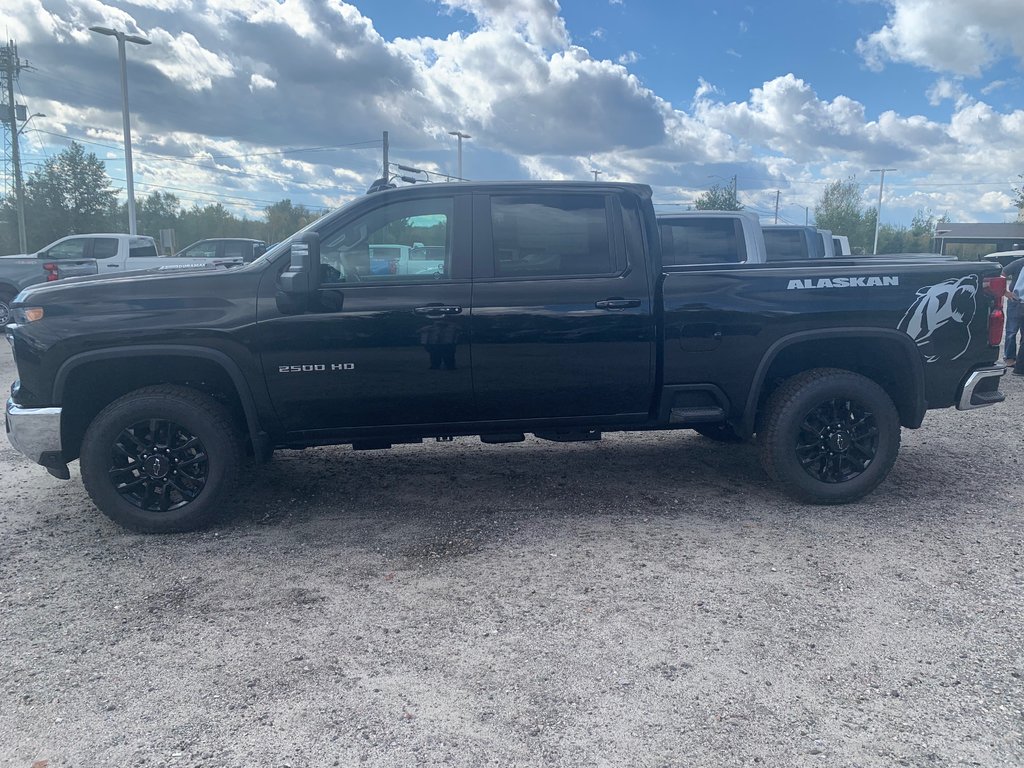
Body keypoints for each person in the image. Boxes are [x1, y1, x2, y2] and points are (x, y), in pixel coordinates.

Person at [1001, 256, 1024, 367]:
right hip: (1015, 300)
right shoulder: (1019, 263)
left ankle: (1020, 360)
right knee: (1011, 331)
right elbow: (1002, 273)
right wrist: (1005, 292)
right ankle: (1009, 358)